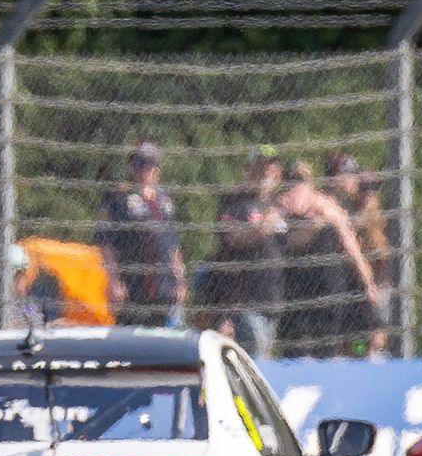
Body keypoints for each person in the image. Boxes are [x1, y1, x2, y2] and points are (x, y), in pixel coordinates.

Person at [276, 159, 380, 353]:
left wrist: (367, 283)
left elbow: (351, 247)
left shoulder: (292, 205)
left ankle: (358, 352)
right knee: (316, 346)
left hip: (318, 286)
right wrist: (368, 282)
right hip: (312, 286)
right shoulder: (320, 205)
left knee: (324, 344)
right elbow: (351, 247)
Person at [199, 145, 287, 355]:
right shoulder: (235, 201)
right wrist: (262, 228)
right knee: (252, 359)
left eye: (271, 167)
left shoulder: (279, 205)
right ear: (249, 169)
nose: (267, 172)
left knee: (263, 361)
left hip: (273, 301)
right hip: (245, 303)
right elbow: (232, 238)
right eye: (261, 166)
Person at [96, 140, 186, 327]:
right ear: (131, 166)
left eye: (150, 163)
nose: (145, 169)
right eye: (139, 163)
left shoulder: (164, 201)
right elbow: (107, 244)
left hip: (164, 287)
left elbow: (172, 245)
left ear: (157, 168)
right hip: (132, 285)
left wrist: (180, 281)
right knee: (130, 334)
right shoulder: (118, 198)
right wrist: (113, 281)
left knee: (163, 334)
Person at [326, 152, 392, 354]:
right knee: (351, 340)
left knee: (377, 332)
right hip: (353, 282)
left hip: (377, 281)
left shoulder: (381, 219)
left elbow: (384, 255)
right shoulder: (345, 211)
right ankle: (359, 352)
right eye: (364, 188)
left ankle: (372, 354)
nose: (368, 193)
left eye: (373, 188)